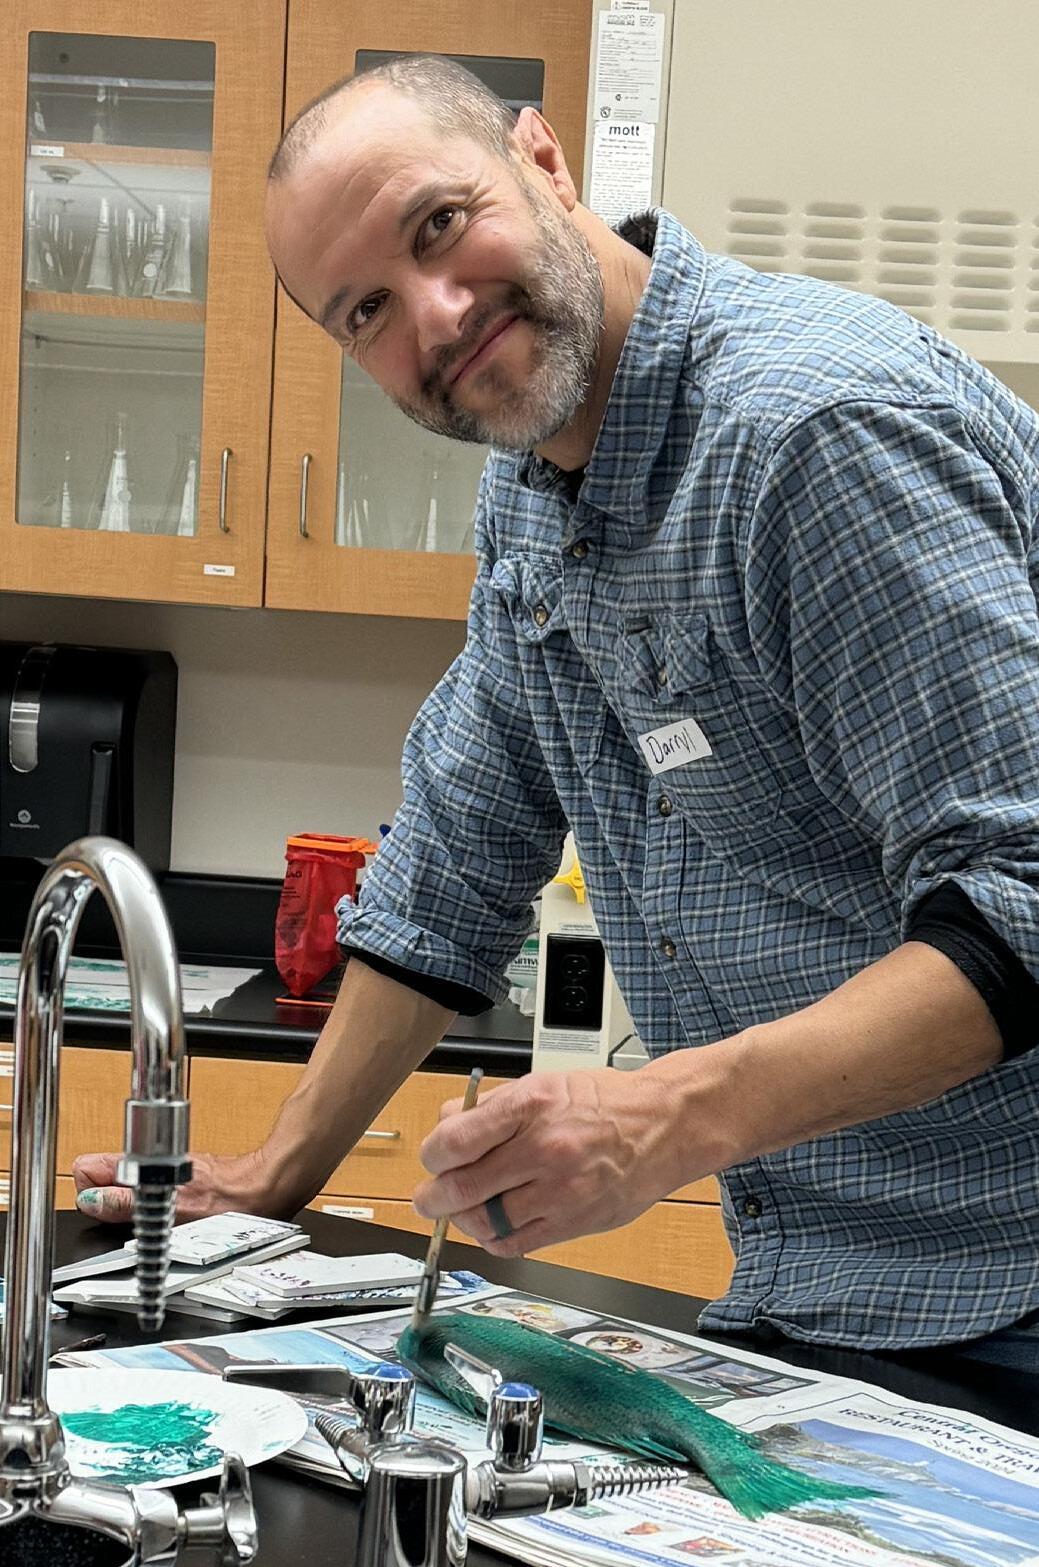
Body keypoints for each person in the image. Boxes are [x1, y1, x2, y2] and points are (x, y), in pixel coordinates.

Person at [74, 56, 1039, 1362]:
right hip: (835, 1287)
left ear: (542, 157)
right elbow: (453, 867)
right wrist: (273, 1174)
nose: (436, 316)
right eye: (366, 310)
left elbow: (1022, 898)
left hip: (1012, 1282)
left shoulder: (811, 437)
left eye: (439, 224)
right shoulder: (533, 496)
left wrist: (665, 1117)